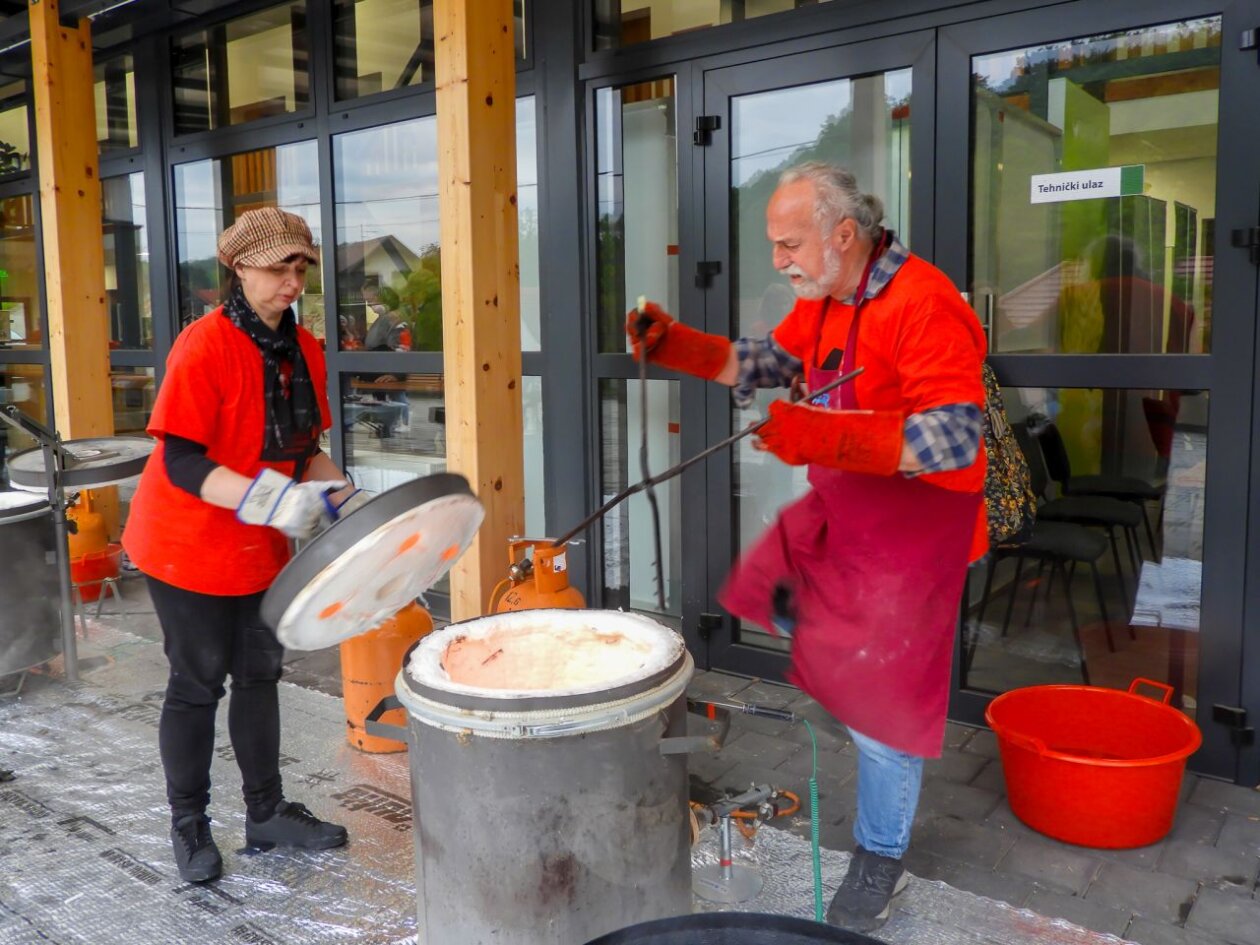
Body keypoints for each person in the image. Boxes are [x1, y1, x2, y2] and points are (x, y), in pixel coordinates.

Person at [628, 162, 988, 932]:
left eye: (789, 244)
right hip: (845, 512)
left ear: (844, 235)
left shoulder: (925, 304)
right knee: (774, 595)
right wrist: (678, 346)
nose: (779, 260)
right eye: (775, 245)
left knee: (883, 706)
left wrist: (819, 432)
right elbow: (766, 365)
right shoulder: (826, 301)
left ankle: (880, 852)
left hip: (917, 529)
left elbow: (956, 437)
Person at [122, 208, 370, 884]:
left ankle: (265, 811)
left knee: (260, 675)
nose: (291, 281)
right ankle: (189, 821)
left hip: (257, 548)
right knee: (197, 682)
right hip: (187, 544)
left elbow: (305, 450)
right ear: (238, 268)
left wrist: (348, 499)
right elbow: (181, 461)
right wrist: (275, 502)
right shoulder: (202, 346)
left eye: (299, 267)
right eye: (276, 267)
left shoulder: (307, 350)